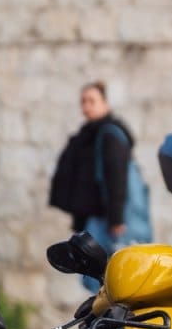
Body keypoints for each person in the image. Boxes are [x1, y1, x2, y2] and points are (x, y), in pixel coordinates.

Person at [51, 81, 146, 292]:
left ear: (105, 103)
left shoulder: (110, 134)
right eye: (83, 101)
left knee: (103, 277)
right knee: (96, 277)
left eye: (92, 101)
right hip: (96, 217)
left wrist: (116, 219)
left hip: (108, 221)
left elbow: (116, 176)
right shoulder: (89, 134)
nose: (86, 106)